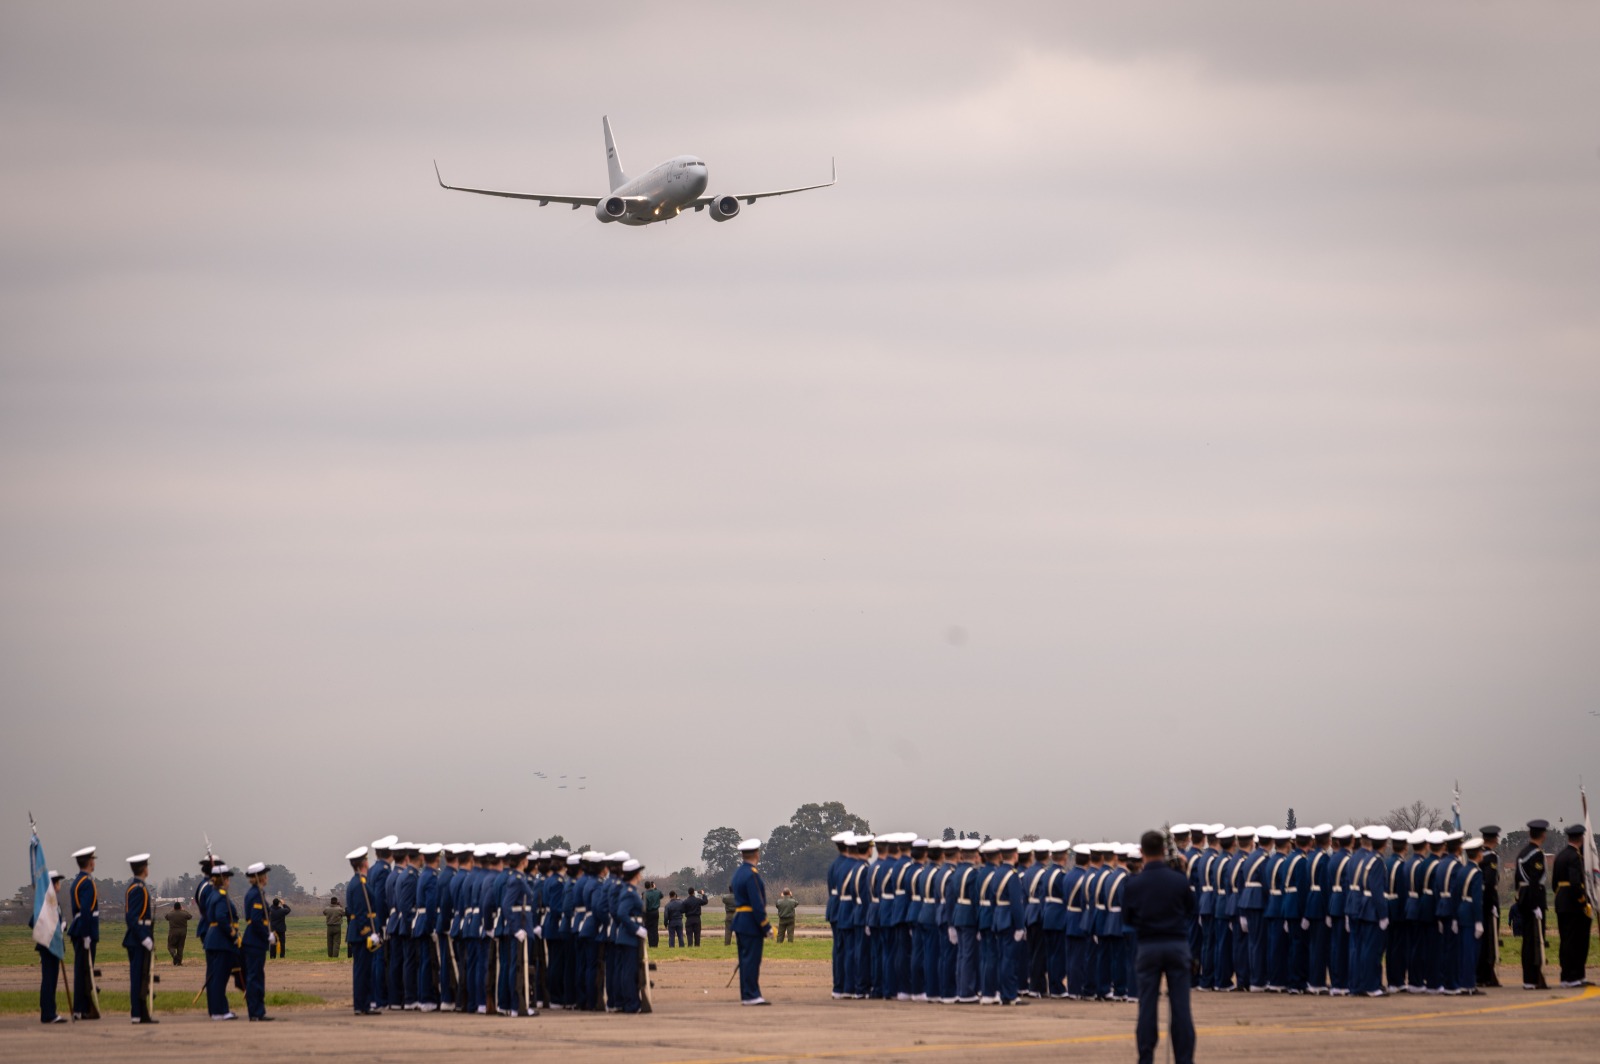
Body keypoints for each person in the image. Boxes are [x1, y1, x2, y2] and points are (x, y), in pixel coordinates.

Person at [1123, 829, 1196, 1064]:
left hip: (1148, 946)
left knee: (1147, 1007)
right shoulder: (1178, 879)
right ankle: (1184, 1058)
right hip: (1176, 944)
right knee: (1181, 1009)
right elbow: (1190, 909)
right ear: (1164, 851)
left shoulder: (1134, 883)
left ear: (1142, 852)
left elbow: (1128, 919)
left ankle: (1146, 1057)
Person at [730, 838, 771, 1004]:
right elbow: (757, 903)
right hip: (750, 922)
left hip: (740, 921)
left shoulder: (739, 873)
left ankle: (748, 993)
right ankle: (752, 994)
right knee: (752, 960)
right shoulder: (751, 874)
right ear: (756, 854)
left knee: (745, 960)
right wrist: (765, 925)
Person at [1552, 823, 1592, 988]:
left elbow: (1554, 883)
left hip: (1562, 903)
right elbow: (1576, 883)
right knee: (1576, 941)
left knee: (1566, 940)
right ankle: (1572, 976)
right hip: (1574, 904)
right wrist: (1583, 901)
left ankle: (1570, 975)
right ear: (1581, 838)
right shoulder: (1575, 857)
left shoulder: (1560, 855)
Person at [202, 863, 240, 1020]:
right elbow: (221, 918)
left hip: (212, 940)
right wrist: (233, 934)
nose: (229, 882)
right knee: (219, 977)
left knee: (213, 977)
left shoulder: (212, 894)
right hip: (221, 941)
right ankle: (219, 1011)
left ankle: (216, 1009)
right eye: (228, 879)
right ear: (223, 880)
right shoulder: (221, 896)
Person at [123, 854, 158, 1024]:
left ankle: (142, 1012)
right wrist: (144, 938)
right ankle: (137, 1013)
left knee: (142, 977)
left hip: (140, 937)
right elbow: (132, 917)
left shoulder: (138, 886)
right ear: (144, 869)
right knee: (138, 977)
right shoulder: (137, 888)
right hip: (138, 939)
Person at [1514, 819, 1549, 990]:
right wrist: (1536, 905)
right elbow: (1535, 880)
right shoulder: (1536, 854)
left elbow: (1517, 880)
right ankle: (1533, 978)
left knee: (1528, 939)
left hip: (1523, 898)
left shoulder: (1522, 853)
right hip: (1534, 899)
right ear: (1543, 834)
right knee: (1535, 940)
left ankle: (1529, 978)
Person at [345, 847, 380, 1015]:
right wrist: (368, 933)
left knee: (364, 970)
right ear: (364, 863)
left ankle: (363, 1004)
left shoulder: (359, 881)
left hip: (359, 932)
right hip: (361, 934)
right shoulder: (360, 884)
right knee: (362, 971)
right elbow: (360, 912)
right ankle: (361, 1004)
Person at [610, 860, 648, 1013]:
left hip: (628, 936)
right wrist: (636, 929)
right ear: (635, 874)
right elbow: (621, 914)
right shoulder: (629, 892)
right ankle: (631, 1003)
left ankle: (629, 1002)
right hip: (629, 936)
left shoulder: (629, 890)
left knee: (627, 970)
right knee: (629, 971)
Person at [67, 845, 100, 1020]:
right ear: (88, 862)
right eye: (92, 859)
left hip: (80, 927)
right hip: (84, 930)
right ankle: (80, 1009)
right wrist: (87, 934)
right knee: (83, 971)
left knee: (83, 970)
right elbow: (86, 910)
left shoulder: (78, 881)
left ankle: (82, 1008)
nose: (94, 862)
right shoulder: (86, 882)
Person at [32, 870, 68, 1023]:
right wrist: (52, 930)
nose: (59, 885)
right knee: (49, 980)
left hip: (53, 946)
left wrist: (61, 925)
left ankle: (50, 1011)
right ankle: (48, 1013)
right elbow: (33, 921)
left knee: (51, 980)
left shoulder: (53, 902)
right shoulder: (46, 903)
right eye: (57, 882)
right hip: (48, 945)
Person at [241, 863, 275, 1020]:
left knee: (257, 976)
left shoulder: (258, 893)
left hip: (256, 940)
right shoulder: (255, 894)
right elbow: (255, 920)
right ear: (259, 877)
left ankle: (258, 1011)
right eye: (265, 875)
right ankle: (255, 1012)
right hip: (254, 940)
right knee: (254, 977)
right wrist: (266, 935)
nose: (267, 877)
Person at [1476, 826, 1502, 987]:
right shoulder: (1491, 857)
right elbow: (1490, 882)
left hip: (1478, 901)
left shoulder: (1478, 855)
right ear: (1495, 839)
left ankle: (1480, 973)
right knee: (1489, 939)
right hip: (1488, 902)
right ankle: (1486, 975)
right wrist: (1491, 903)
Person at [643, 880, 662, 948]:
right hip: (656, 912)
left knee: (649, 929)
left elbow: (644, 905)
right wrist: (655, 888)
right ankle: (655, 944)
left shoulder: (645, 894)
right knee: (655, 929)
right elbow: (661, 895)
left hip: (648, 913)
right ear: (652, 885)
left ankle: (651, 944)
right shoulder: (657, 892)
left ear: (645, 886)